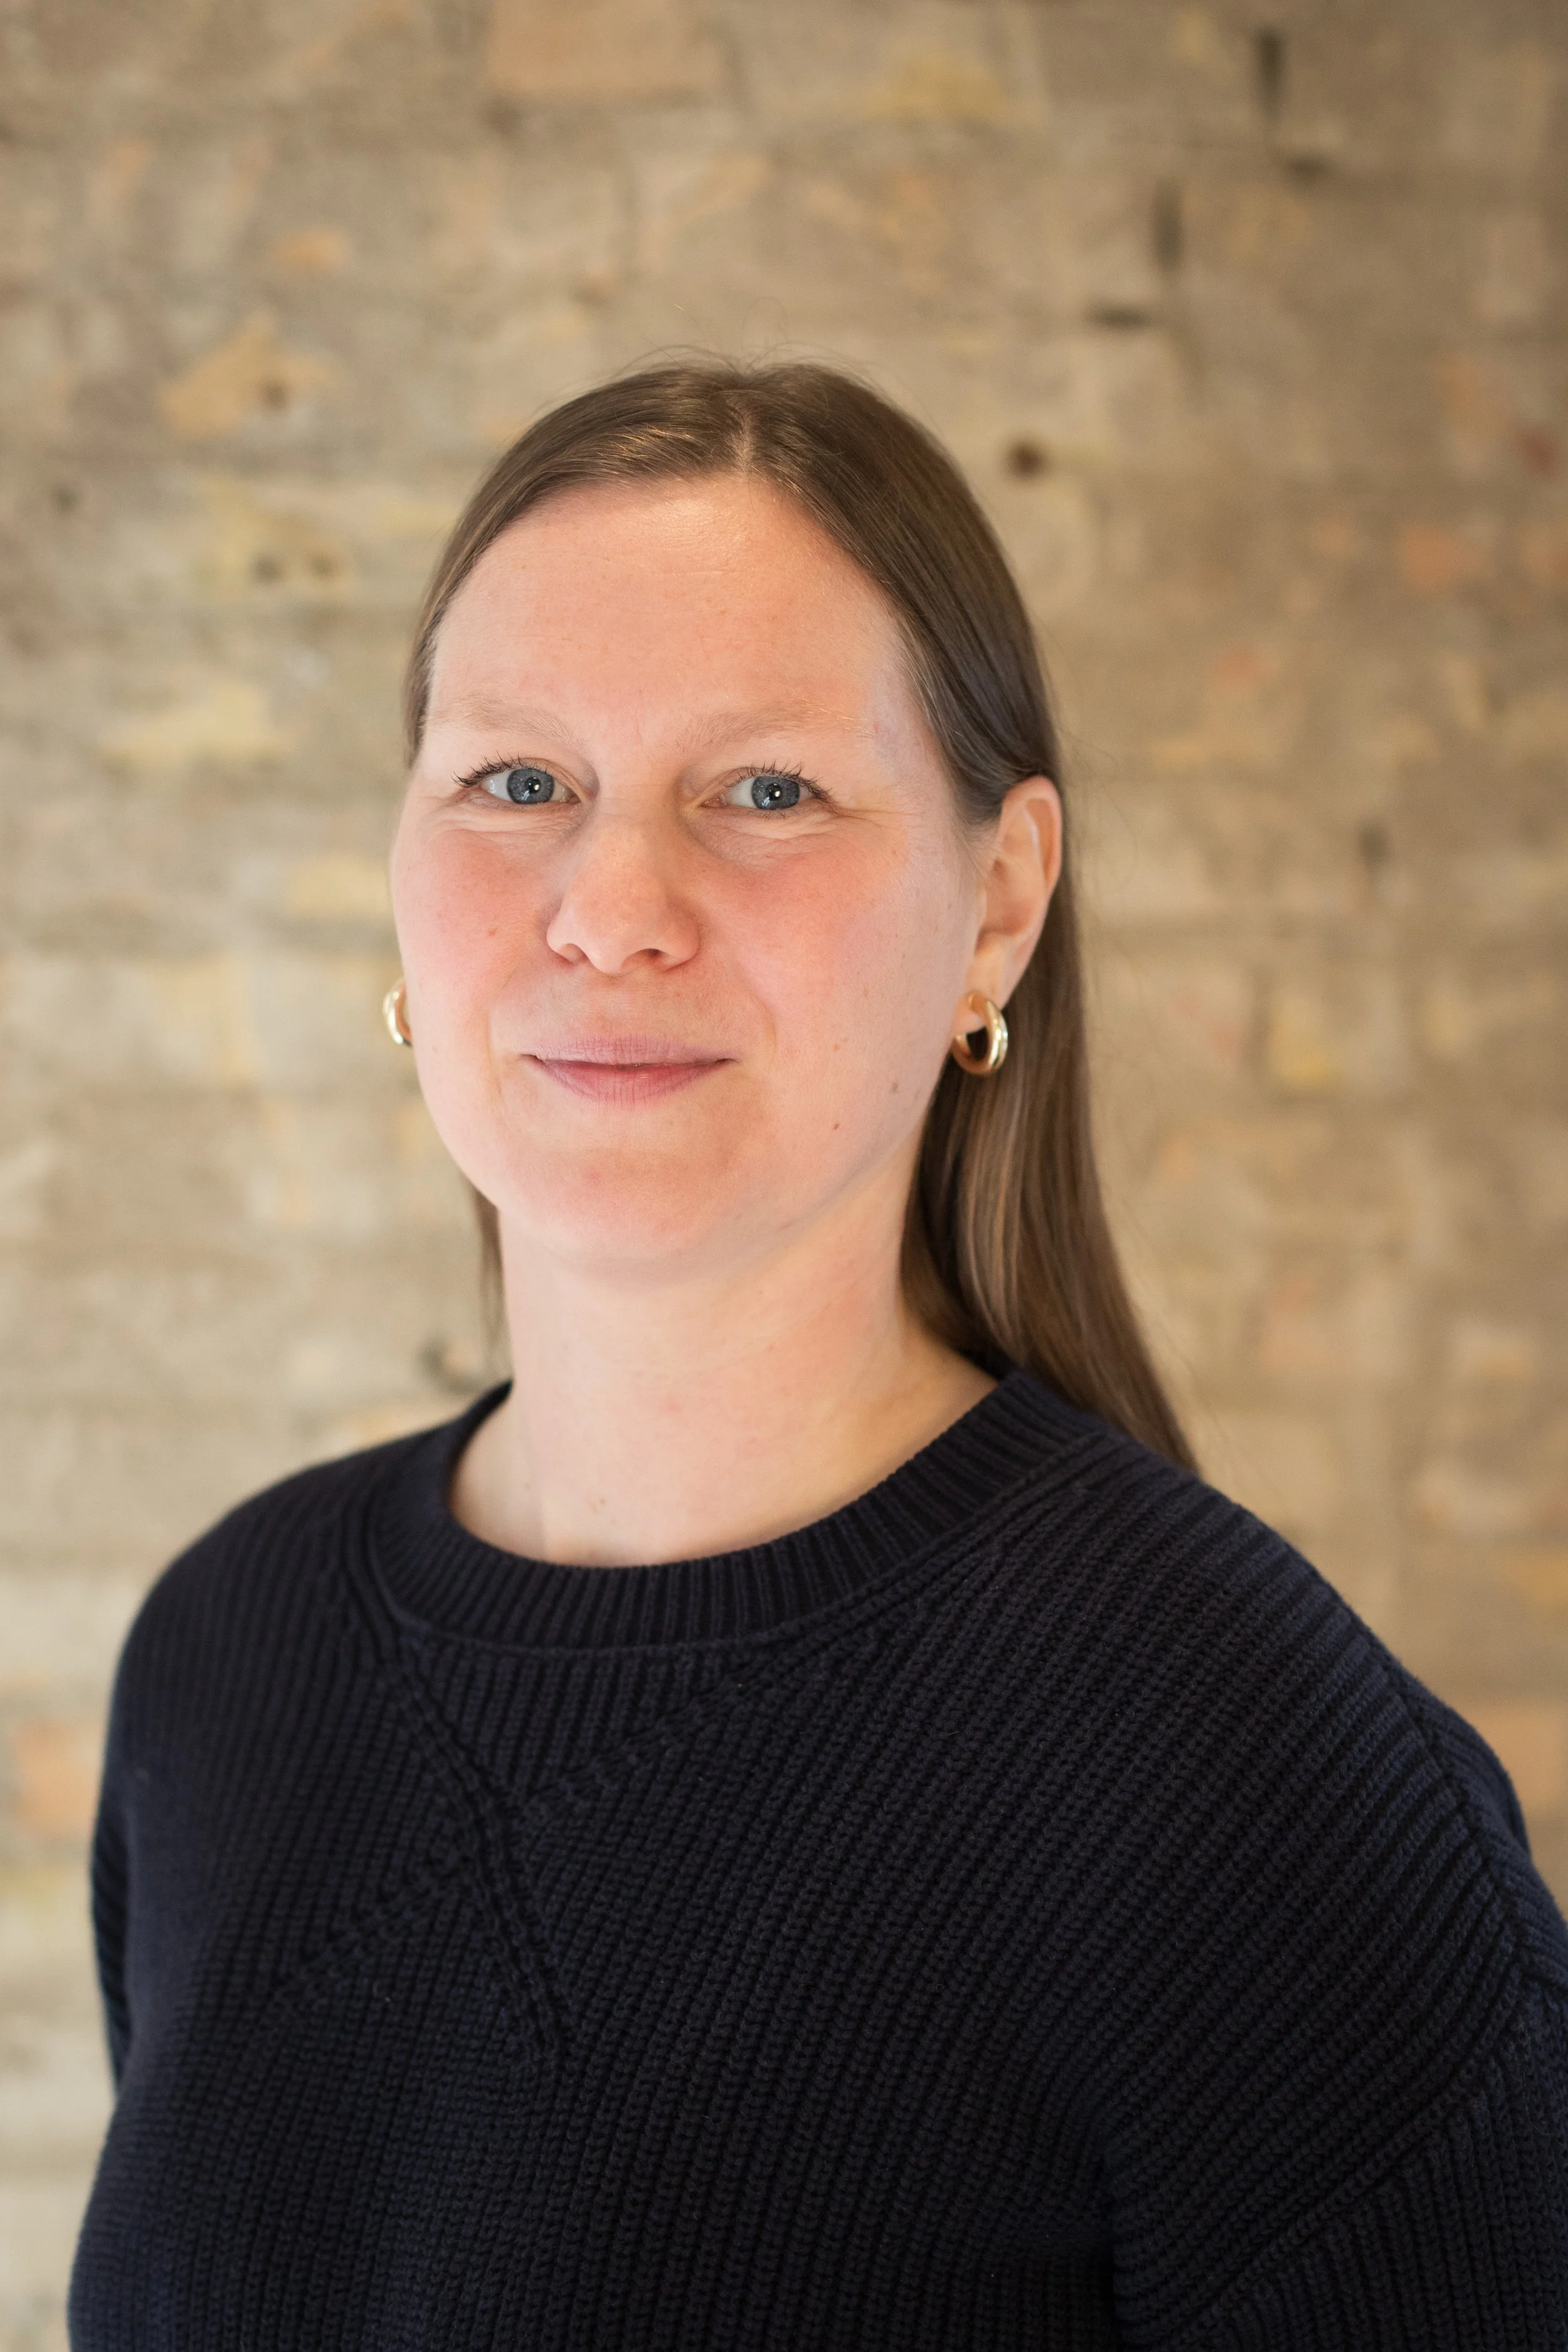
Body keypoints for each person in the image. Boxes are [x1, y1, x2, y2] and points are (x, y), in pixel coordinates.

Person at [69, 361, 1568, 2350]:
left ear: (996, 906)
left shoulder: (1252, 1786)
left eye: (763, 788)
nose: (608, 907)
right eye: (515, 781)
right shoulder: (225, 1653)